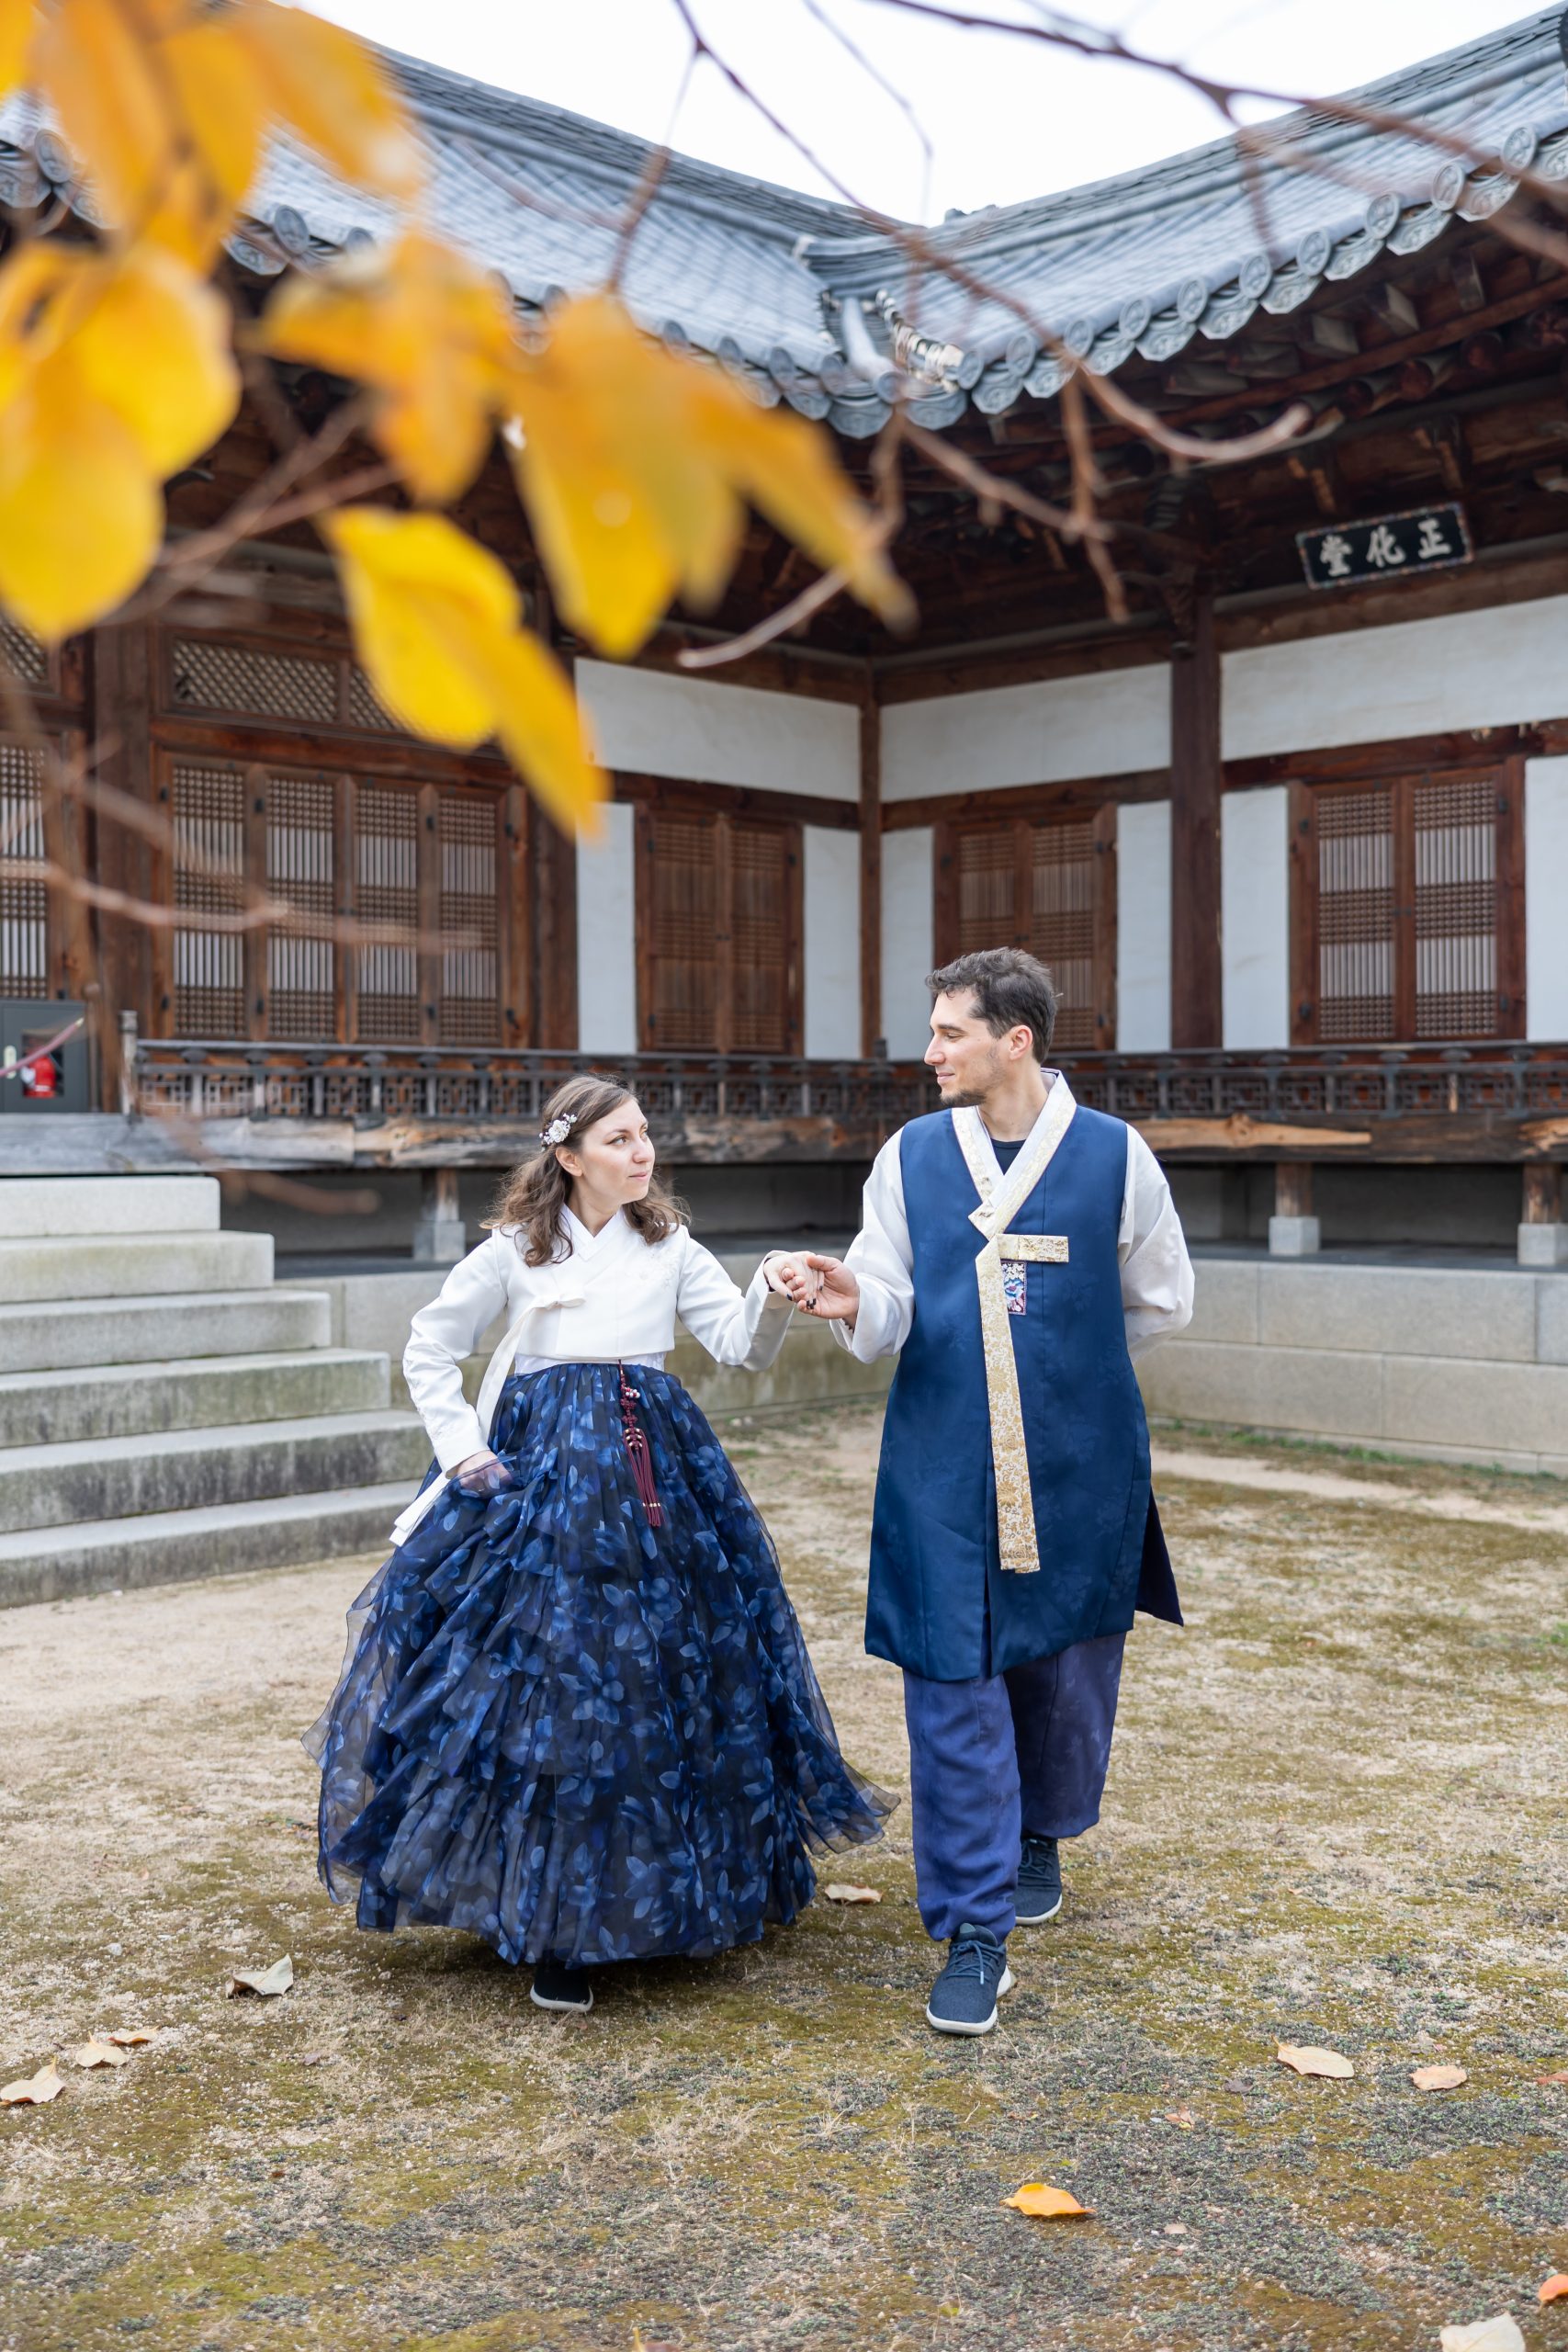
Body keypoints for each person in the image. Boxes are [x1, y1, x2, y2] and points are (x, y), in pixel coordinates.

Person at [306, 1073, 889, 2015]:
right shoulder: (510, 1250)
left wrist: (774, 1290)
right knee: (546, 1679)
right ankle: (551, 1921)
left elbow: (741, 1346)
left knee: (656, 1670)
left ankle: (659, 1893)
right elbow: (428, 1345)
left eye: (645, 1134)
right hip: (531, 1476)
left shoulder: (669, 1244)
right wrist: (464, 1453)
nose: (641, 1150)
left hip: (651, 1470)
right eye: (619, 1138)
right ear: (569, 1155)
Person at [773, 947, 1192, 2038]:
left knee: (1066, 1658)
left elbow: (1157, 1300)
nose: (929, 1052)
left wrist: (1065, 1370)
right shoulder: (911, 1156)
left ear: (1015, 1040)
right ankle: (973, 1930)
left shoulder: (1114, 1155)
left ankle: (1042, 1827)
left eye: (949, 1032)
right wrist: (851, 1293)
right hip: (941, 1461)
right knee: (948, 1674)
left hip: (1079, 1457)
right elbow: (891, 1298)